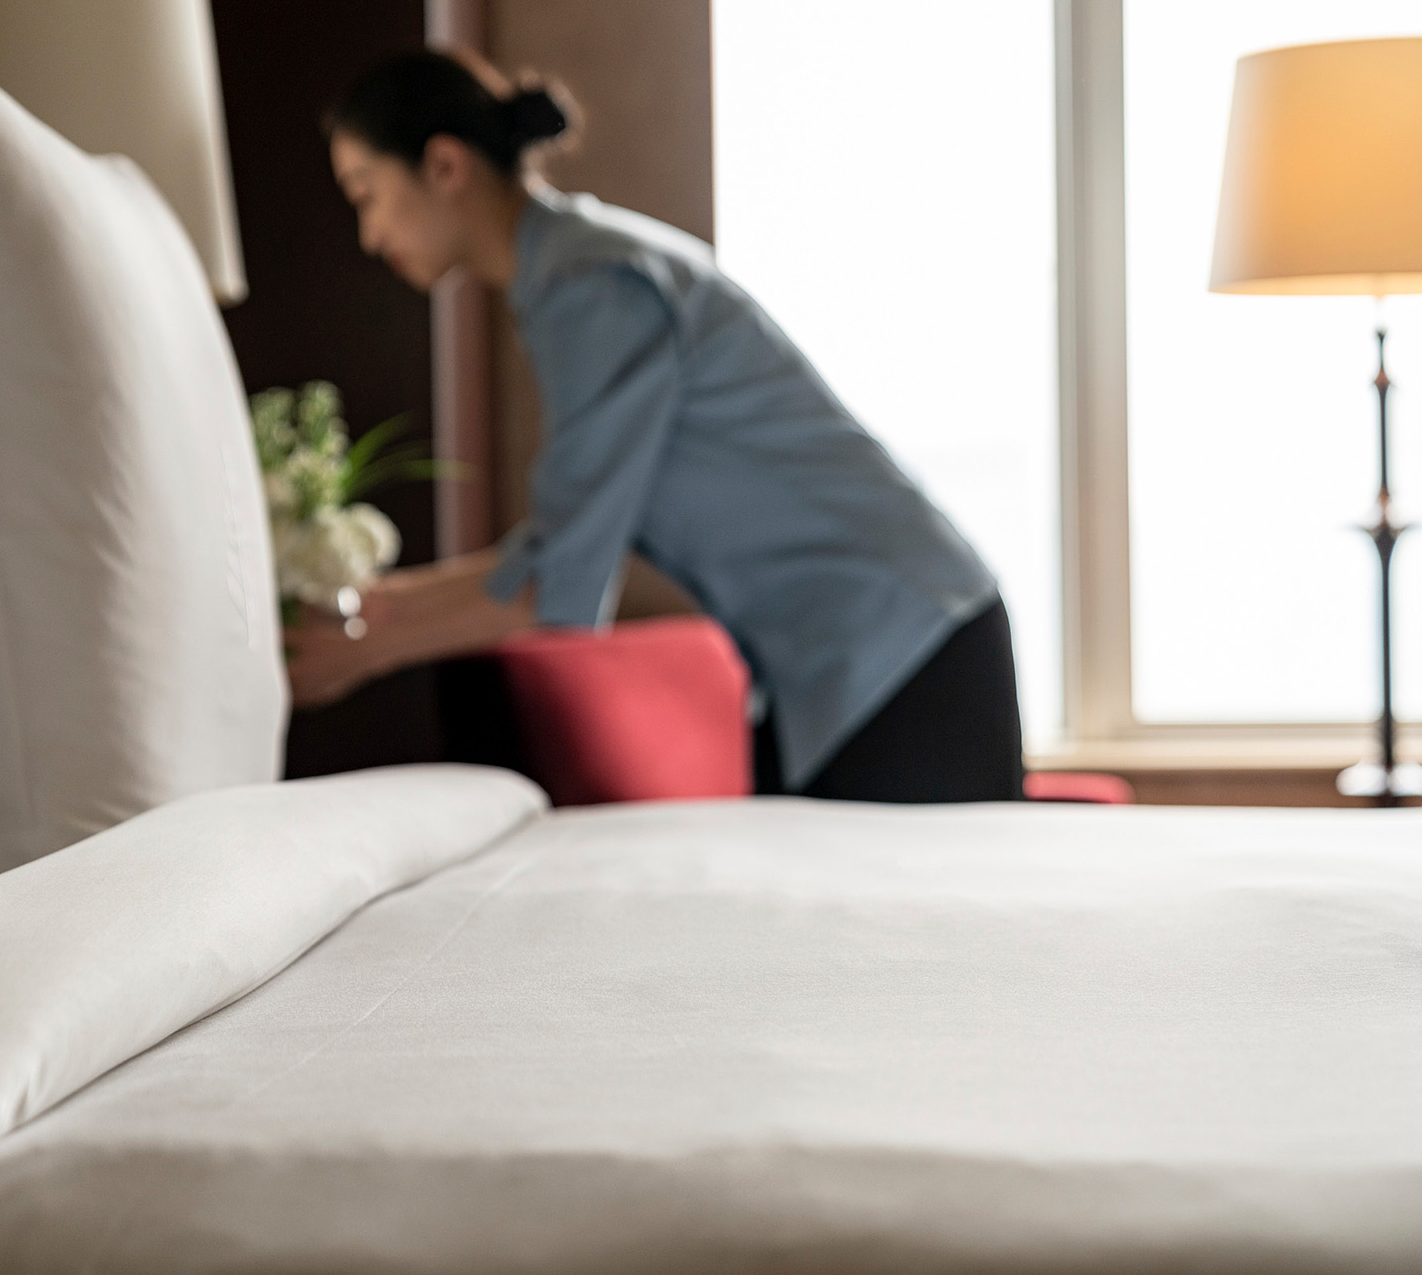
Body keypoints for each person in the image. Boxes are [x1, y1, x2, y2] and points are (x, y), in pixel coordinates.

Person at [288, 48, 1022, 803]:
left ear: (444, 166)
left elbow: (561, 584)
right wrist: (363, 615)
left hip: (903, 647)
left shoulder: (592, 287)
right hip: (838, 664)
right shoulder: (571, 275)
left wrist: (359, 648)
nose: (369, 234)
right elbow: (548, 556)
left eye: (366, 194)